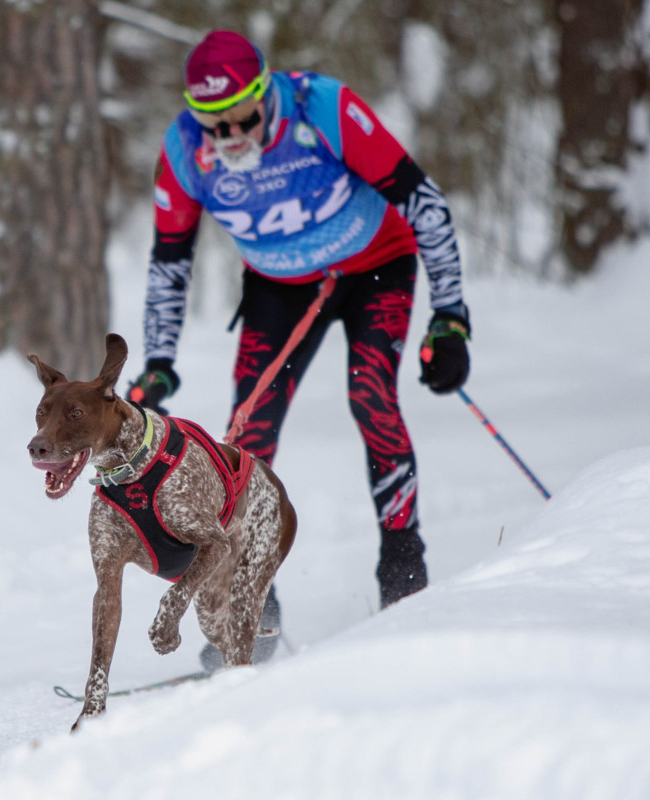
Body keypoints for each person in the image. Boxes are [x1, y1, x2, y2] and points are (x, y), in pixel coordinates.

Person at [126, 30, 471, 646]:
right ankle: (254, 610)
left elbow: (424, 201)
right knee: (246, 439)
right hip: (281, 288)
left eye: (242, 119)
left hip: (375, 268)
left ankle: (403, 575)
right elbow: (168, 264)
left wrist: (450, 318)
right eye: (214, 126)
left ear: (265, 94)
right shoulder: (184, 149)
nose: (229, 138)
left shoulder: (321, 109)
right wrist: (157, 361)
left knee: (372, 398)